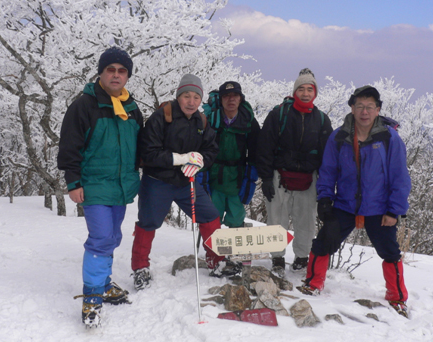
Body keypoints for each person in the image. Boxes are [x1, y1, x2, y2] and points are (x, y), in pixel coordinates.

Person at [298, 85, 411, 317]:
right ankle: (313, 283)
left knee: (390, 251)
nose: (364, 112)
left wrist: (394, 210)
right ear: (352, 107)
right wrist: (325, 199)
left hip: (379, 208)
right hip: (345, 204)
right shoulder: (339, 136)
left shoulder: (390, 138)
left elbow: (400, 176)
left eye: (370, 107)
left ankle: (397, 296)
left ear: (378, 110)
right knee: (323, 243)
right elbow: (328, 170)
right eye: (360, 106)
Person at [57, 47, 143, 326]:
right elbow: (70, 145)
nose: (116, 75)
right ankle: (92, 296)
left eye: (122, 71)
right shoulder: (84, 105)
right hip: (94, 185)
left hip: (120, 187)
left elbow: (141, 146)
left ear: (127, 76)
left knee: (112, 238)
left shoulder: (131, 108)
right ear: (101, 72)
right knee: (101, 239)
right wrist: (73, 181)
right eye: (111, 70)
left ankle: (104, 283)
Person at [131, 74, 241, 291]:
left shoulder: (201, 120)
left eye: (196, 97)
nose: (191, 102)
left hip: (186, 183)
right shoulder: (161, 116)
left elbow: (211, 149)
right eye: (186, 96)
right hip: (157, 181)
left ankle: (216, 261)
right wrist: (179, 159)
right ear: (178, 96)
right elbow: (148, 152)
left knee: (210, 216)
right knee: (148, 222)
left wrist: (200, 161)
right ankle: (140, 268)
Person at [256, 68, 333, 277]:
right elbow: (264, 147)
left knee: (306, 220)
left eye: (310, 89)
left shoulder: (322, 119)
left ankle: (301, 257)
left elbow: (329, 156)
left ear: (315, 93)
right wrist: (266, 178)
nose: (306, 93)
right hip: (279, 176)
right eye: (301, 89)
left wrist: (326, 186)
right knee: (276, 219)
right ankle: (277, 258)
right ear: (294, 91)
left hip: (309, 178)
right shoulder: (278, 115)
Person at [202, 81, 261, 229]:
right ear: (221, 99)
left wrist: (250, 180)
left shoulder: (249, 122)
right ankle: (212, 251)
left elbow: (254, 153)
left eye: (235, 95)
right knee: (211, 217)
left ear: (241, 99)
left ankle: (233, 249)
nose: (231, 99)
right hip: (214, 176)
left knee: (236, 218)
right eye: (226, 96)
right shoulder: (211, 120)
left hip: (237, 178)